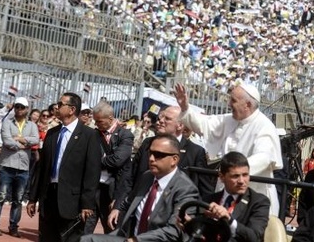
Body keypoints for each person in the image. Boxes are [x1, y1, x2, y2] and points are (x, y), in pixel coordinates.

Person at [174, 83, 283, 215]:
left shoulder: (264, 126)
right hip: (226, 190)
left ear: (247, 105)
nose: (229, 104)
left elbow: (264, 158)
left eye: (233, 100)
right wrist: (185, 106)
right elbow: (204, 124)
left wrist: (233, 172)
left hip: (253, 194)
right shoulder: (230, 119)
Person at [83, 134, 199, 242]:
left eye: (158, 155)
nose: (151, 159)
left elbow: (175, 230)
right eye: (150, 153)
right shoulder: (147, 177)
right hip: (127, 236)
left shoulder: (185, 189)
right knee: (86, 240)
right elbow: (129, 202)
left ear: (174, 159)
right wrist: (117, 209)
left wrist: (136, 240)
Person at [26, 92, 102, 242]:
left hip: (72, 202)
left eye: (61, 104)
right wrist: (33, 198)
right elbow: (42, 168)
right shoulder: (52, 133)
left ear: (72, 109)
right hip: (49, 198)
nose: (57, 107)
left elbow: (92, 172)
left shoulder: (89, 135)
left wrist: (87, 203)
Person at [118, 105, 213, 202]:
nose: (160, 121)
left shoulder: (195, 152)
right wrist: (118, 204)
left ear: (180, 125)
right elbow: (130, 176)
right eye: (160, 117)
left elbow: (206, 192)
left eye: (167, 119)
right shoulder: (147, 143)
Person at [190, 151, 271, 242]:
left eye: (245, 175)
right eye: (235, 176)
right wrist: (189, 225)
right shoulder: (209, 200)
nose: (241, 181)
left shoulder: (258, 201)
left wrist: (229, 220)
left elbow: (254, 237)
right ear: (222, 177)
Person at [0, 97, 39, 237]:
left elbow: (36, 140)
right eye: (17, 106)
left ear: (27, 109)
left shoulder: (32, 125)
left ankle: (13, 227)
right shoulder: (7, 122)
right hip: (7, 165)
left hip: (23, 167)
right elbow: (7, 140)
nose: (19, 109)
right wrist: (22, 145)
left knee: (18, 199)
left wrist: (21, 139)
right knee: (0, 196)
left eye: (22, 107)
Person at [85, 101, 134, 234]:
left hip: (113, 189)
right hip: (93, 187)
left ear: (110, 119)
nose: (96, 124)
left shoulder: (125, 135)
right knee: (85, 228)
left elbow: (118, 160)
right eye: (95, 121)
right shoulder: (93, 134)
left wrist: (96, 161)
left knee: (111, 228)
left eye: (99, 121)